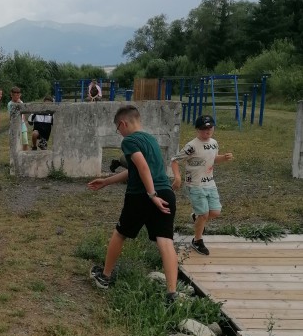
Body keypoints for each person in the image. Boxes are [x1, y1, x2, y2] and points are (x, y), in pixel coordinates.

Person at [87, 104, 178, 302]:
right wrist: (106, 181)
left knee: (120, 233)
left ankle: (105, 276)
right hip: (166, 193)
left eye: (117, 129)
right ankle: (172, 294)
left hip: (141, 195)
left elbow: (143, 168)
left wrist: (151, 195)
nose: (119, 133)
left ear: (123, 123)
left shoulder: (129, 141)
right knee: (165, 240)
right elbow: (136, 170)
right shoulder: (151, 140)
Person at [171, 113, 234, 256]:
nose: (207, 131)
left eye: (210, 127)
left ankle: (197, 217)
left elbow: (213, 159)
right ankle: (197, 240)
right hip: (195, 184)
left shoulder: (214, 143)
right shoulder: (192, 146)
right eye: (204, 128)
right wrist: (177, 177)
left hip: (210, 183)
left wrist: (223, 158)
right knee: (204, 214)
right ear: (197, 130)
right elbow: (174, 160)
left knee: (215, 212)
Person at [7, 86, 29, 151]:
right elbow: (11, 115)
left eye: (18, 95)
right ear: (12, 95)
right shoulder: (10, 104)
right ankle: (16, 154)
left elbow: (23, 113)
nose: (17, 97)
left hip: (22, 124)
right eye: (15, 95)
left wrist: (24, 121)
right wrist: (17, 103)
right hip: (14, 124)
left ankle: (24, 154)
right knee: (15, 142)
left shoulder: (21, 102)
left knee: (25, 141)